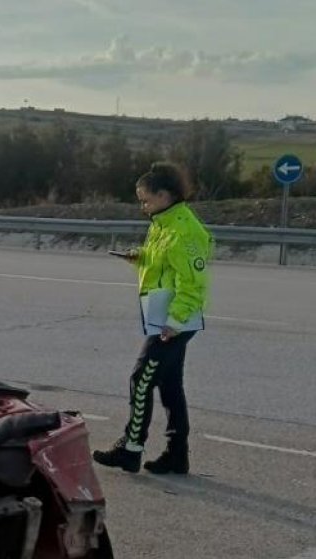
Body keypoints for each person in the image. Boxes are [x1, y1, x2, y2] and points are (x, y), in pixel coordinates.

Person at [93, 162, 212, 475]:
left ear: (164, 195)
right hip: (163, 314)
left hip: (174, 321)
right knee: (170, 385)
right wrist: (139, 257)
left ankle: (130, 448)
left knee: (141, 378)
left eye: (145, 200)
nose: (142, 207)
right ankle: (177, 455)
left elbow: (193, 283)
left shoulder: (184, 230)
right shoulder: (163, 223)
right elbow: (163, 264)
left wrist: (175, 321)